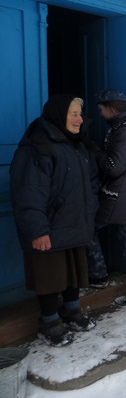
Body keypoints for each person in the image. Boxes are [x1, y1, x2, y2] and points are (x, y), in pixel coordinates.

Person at [10, 95, 99, 346]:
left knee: (73, 270)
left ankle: (71, 311)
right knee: (49, 274)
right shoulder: (38, 145)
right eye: (73, 114)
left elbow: (91, 184)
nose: (80, 119)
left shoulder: (78, 145)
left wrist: (89, 212)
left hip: (75, 221)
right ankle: (49, 321)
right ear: (59, 115)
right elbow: (28, 190)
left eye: (80, 114)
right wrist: (37, 230)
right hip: (49, 225)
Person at [85, 89, 126, 305]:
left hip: (120, 197)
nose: (100, 114)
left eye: (101, 110)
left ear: (112, 108)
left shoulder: (124, 132)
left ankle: (98, 275)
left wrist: (94, 151)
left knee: (88, 229)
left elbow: (114, 167)